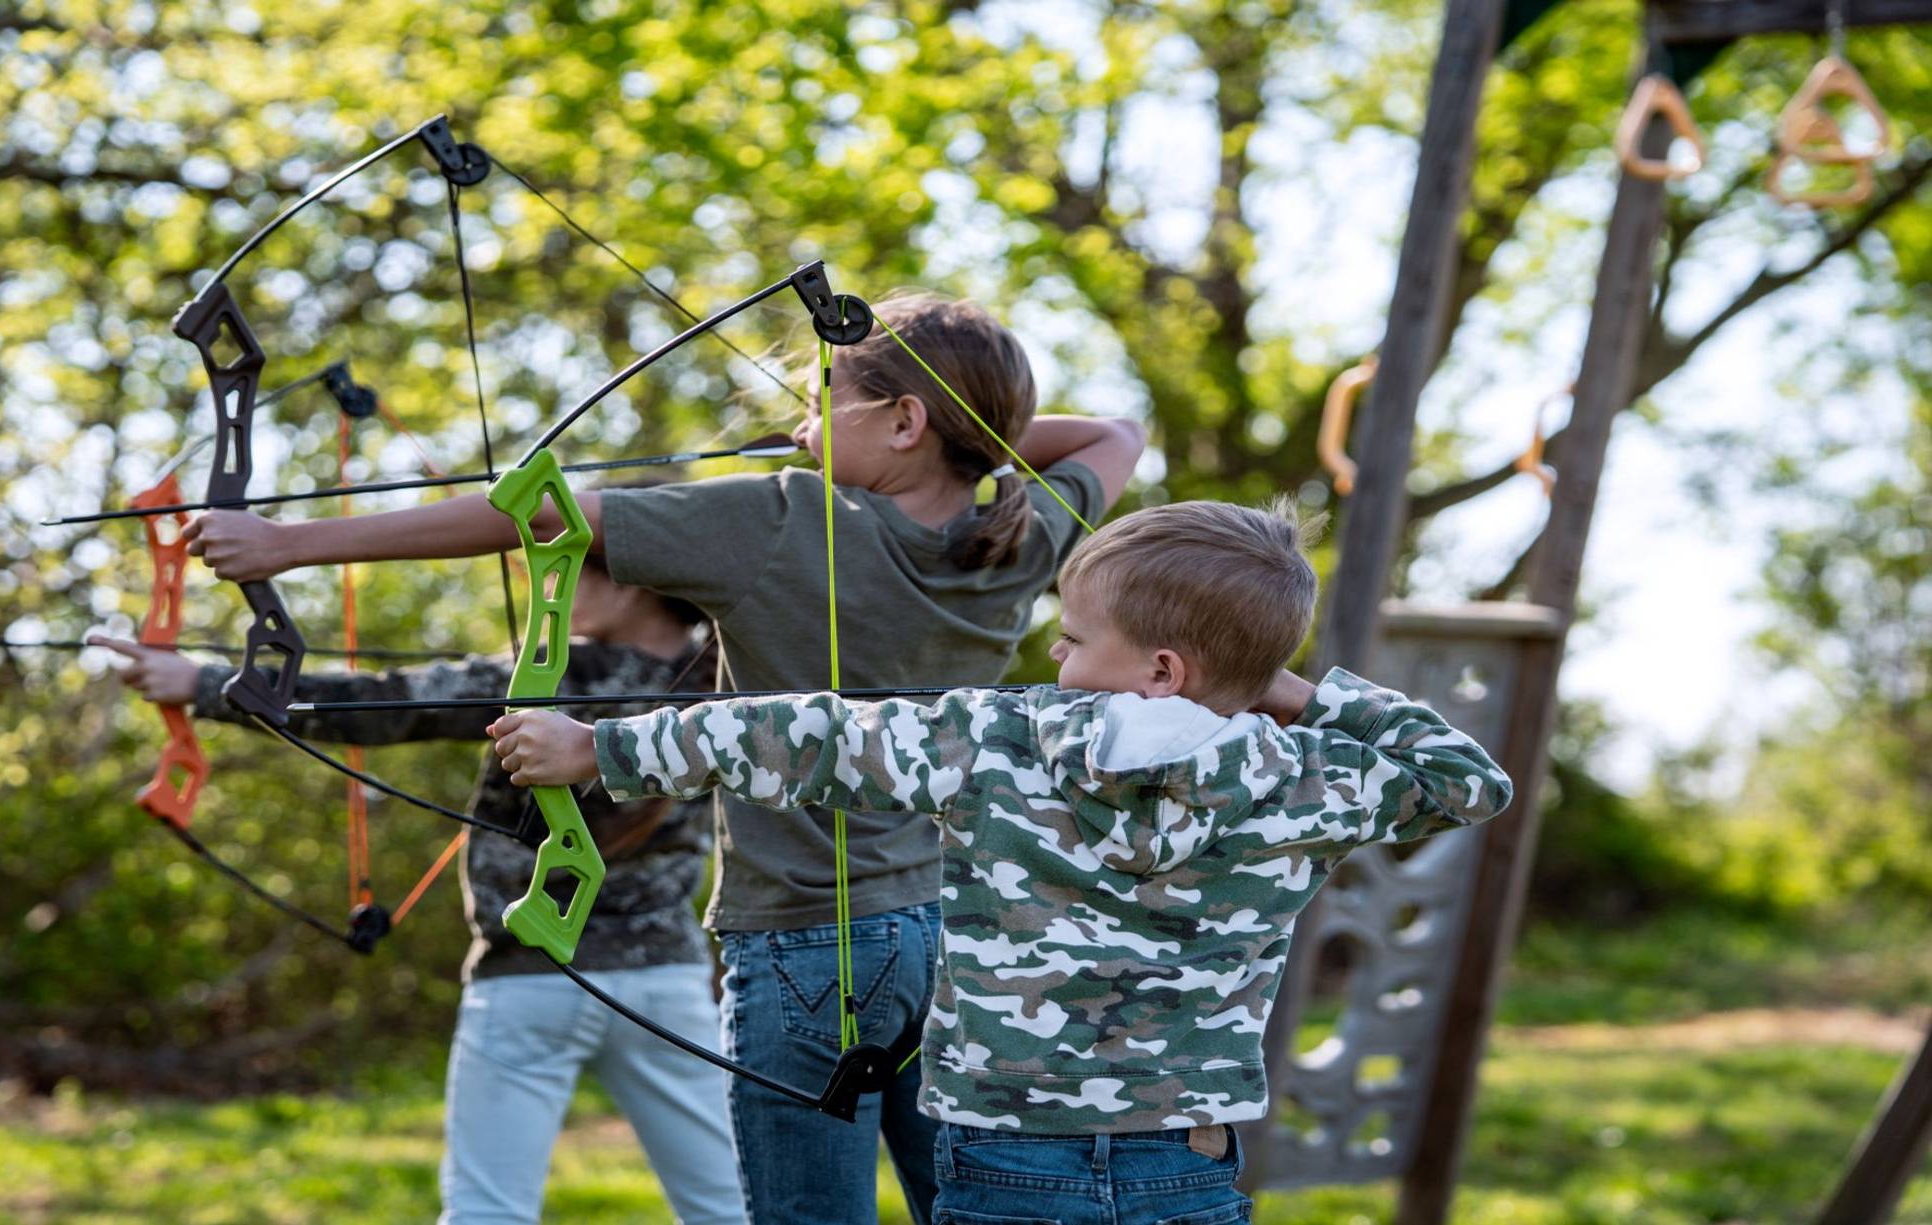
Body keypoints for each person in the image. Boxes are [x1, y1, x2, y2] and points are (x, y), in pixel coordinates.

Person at [181, 293, 1148, 1224]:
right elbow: (1113, 432)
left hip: (804, 941)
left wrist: (291, 542)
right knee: (968, 1206)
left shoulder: (780, 519)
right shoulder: (1017, 540)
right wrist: (970, 432)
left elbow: (538, 511)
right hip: (946, 935)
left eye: (823, 394)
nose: (804, 413)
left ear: (903, 420)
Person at [487, 498, 1516, 1225]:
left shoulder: (999, 740)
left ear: (1157, 669)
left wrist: (598, 748)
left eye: (1072, 640)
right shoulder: (1301, 779)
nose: (1057, 661)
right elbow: (1466, 776)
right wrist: (1278, 685)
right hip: (1185, 1162)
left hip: (1001, 1159)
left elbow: (809, 734)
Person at [90, 557, 746, 1225]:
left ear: (631, 580)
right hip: (667, 981)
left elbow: (383, 703)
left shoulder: (549, 672)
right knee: (730, 1207)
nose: (551, 586)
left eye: (569, 570)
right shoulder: (729, 685)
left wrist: (201, 682)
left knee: (486, 1211)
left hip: (531, 977)